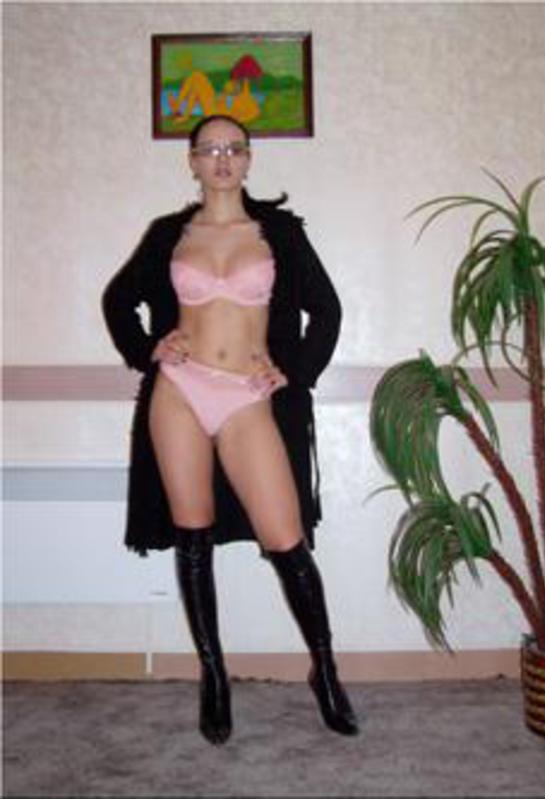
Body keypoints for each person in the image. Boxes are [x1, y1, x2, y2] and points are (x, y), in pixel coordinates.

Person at [102, 114, 358, 745]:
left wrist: (293, 371)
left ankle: (325, 671)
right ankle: (214, 676)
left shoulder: (279, 233)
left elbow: (327, 310)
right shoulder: (169, 234)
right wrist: (147, 347)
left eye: (234, 149)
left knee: (287, 541)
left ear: (248, 160)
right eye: (210, 149)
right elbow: (117, 300)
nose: (222, 158)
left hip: (246, 397)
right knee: (193, 537)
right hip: (180, 394)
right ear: (192, 161)